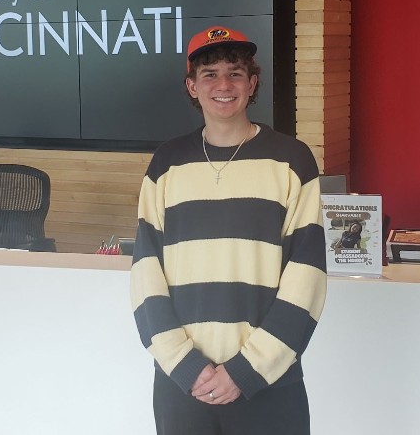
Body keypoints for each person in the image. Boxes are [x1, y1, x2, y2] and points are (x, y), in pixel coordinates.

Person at [129, 26, 327, 434]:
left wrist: (246, 370)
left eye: (235, 73)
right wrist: (185, 365)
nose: (223, 84)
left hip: (269, 383)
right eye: (210, 74)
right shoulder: (167, 164)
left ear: (252, 83)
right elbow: (145, 274)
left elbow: (307, 279)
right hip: (183, 386)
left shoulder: (292, 161)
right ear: (191, 86)